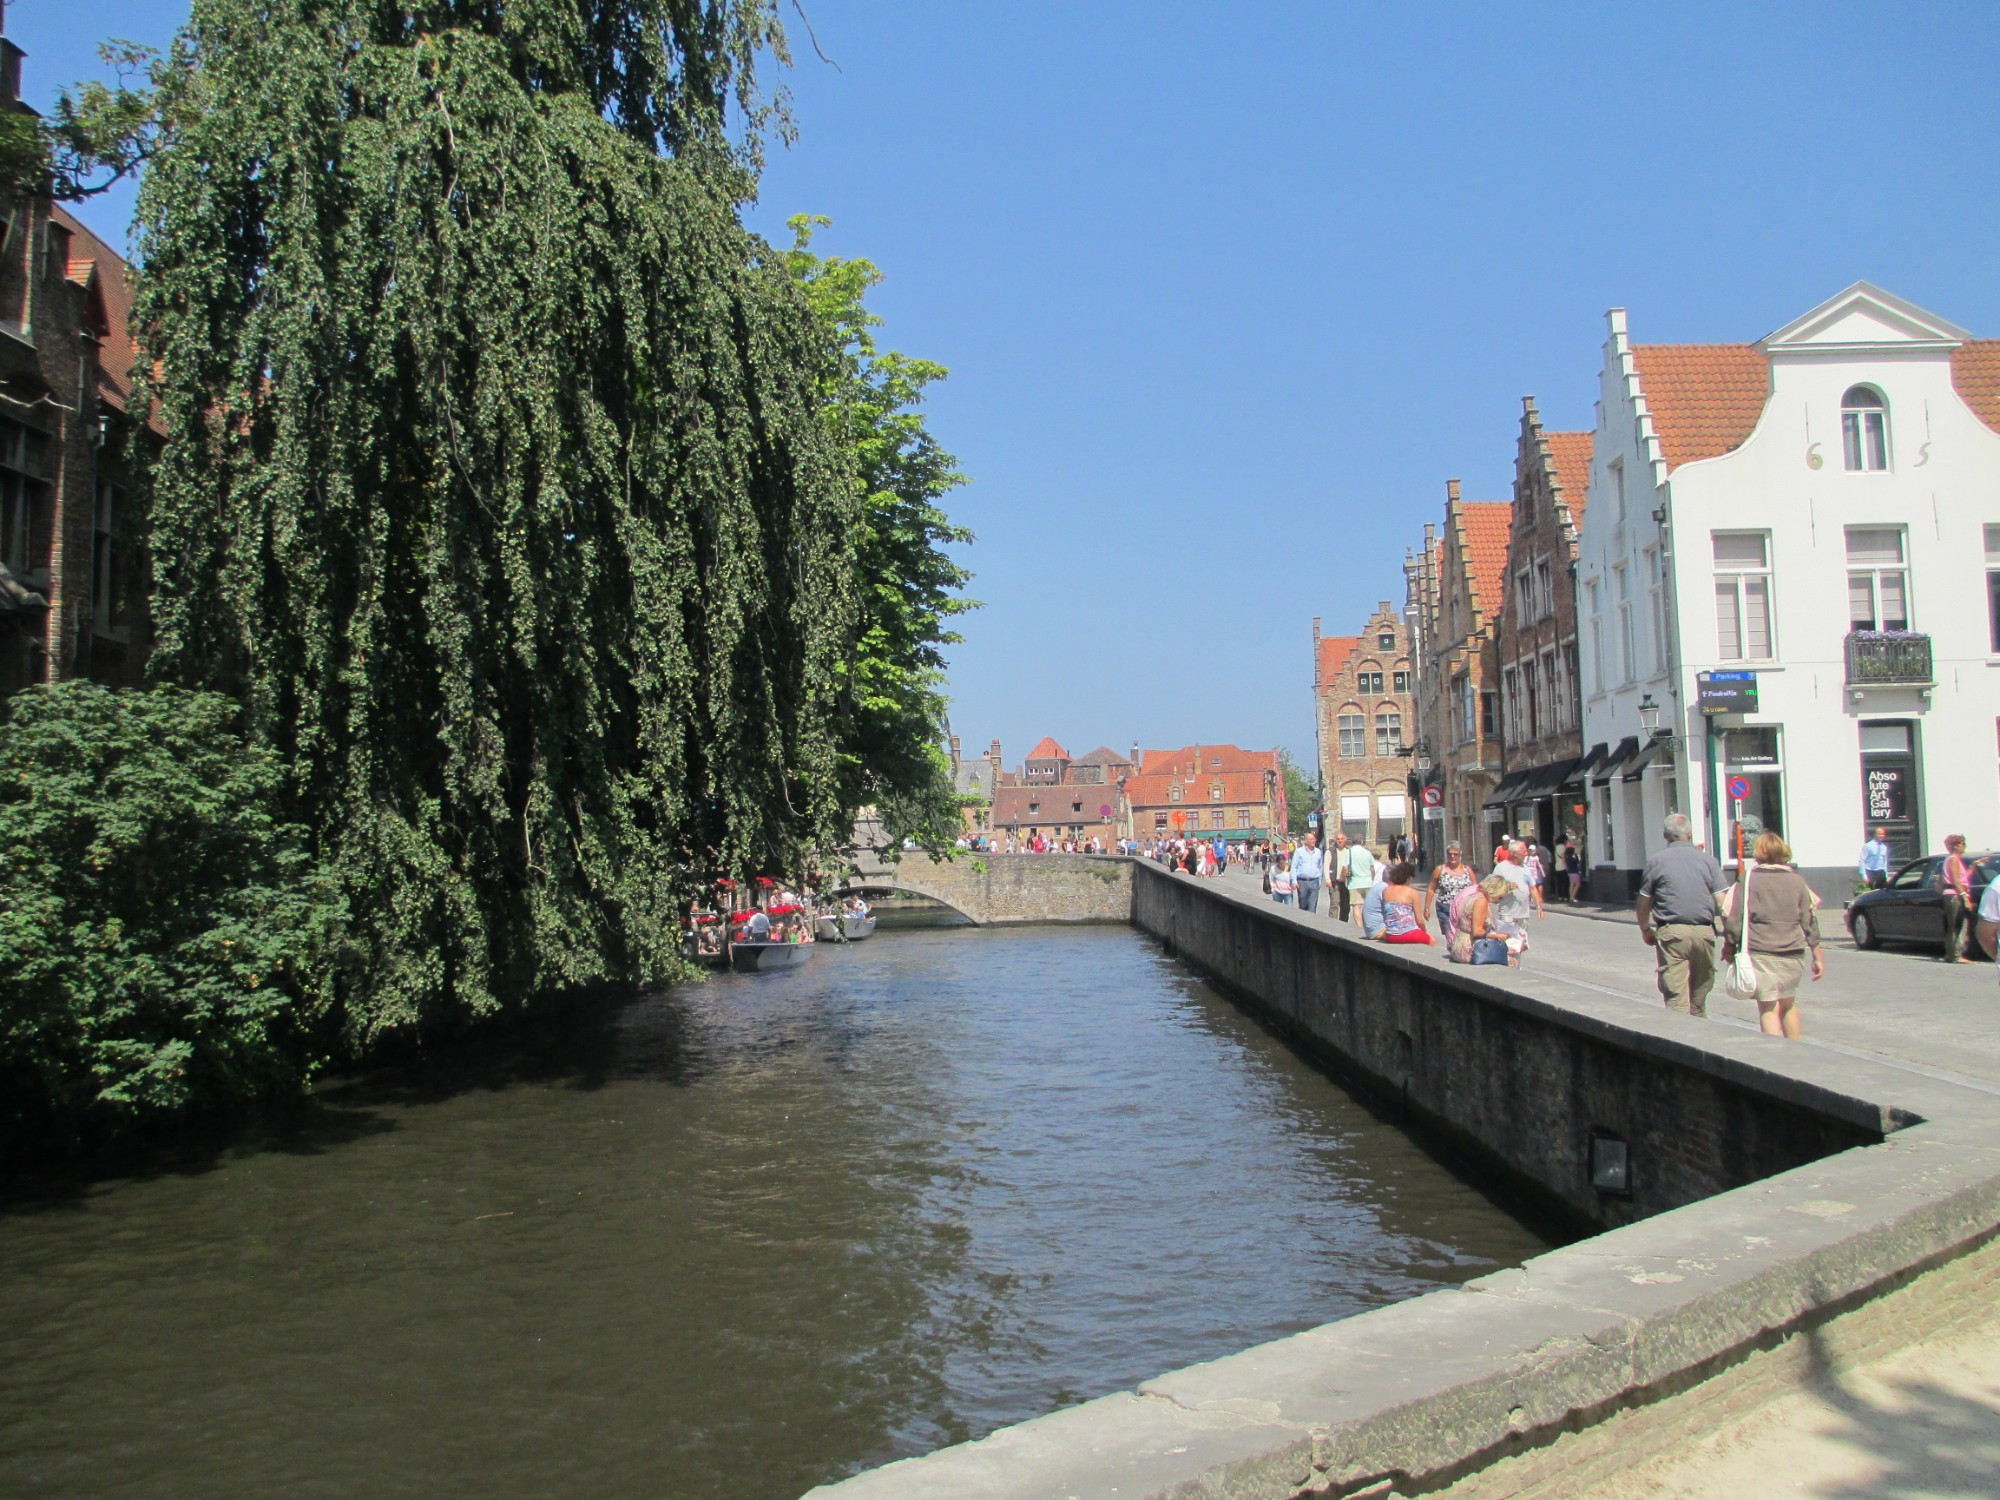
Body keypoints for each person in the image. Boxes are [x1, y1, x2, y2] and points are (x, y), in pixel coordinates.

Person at [1721, 831, 1824, 1040]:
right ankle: (1796, 1049)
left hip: (1761, 951)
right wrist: (1817, 955)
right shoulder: (1797, 882)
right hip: (1793, 953)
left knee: (1768, 1006)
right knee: (1788, 1003)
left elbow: (1735, 918)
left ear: (1759, 853)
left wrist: (1729, 947)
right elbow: (1809, 920)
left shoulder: (1748, 880)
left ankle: (1776, 1056)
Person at [1635, 812, 1730, 1018]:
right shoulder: (1708, 862)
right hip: (1704, 932)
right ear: (1690, 835)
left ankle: (1680, 1039)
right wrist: (1731, 938)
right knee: (1699, 995)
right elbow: (1723, 902)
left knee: (1676, 997)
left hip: (1672, 933)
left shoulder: (1656, 862)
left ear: (1665, 835)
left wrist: (1645, 929)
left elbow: (1643, 903)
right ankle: (1700, 1036)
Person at [1448, 874, 1518, 965]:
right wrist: (1498, 936)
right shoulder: (1481, 901)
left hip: (1459, 944)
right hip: (1469, 948)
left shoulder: (1472, 896)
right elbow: (1477, 932)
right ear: (1494, 890)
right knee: (1512, 962)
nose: (1498, 900)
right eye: (1500, 897)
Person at [1425, 844, 1477, 941]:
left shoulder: (1467, 870)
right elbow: (1431, 889)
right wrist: (1427, 908)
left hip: (1463, 909)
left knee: (1463, 937)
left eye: (1455, 854)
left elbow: (1475, 889)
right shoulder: (1440, 870)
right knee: (1450, 937)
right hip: (1445, 908)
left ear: (1460, 855)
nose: (1452, 856)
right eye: (1450, 854)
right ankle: (1453, 951)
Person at [1940, 834, 1976, 963]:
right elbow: (1956, 880)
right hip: (1954, 895)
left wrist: (1973, 867)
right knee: (1959, 924)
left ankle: (1950, 954)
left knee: (1953, 925)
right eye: (1963, 844)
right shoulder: (1953, 859)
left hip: (1951, 894)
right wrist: (1964, 897)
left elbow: (1963, 879)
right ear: (1956, 846)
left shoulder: (1952, 859)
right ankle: (1956, 954)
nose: (1965, 846)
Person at [1377, 862, 1434, 945]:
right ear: (1409, 878)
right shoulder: (1412, 892)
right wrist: (1426, 933)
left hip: (1391, 935)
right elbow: (1420, 920)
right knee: (1432, 942)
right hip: (1408, 933)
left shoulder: (1385, 891)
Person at [1344, 839, 1378, 925]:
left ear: (1352, 842)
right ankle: (1367, 924)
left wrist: (1346, 880)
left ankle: (1359, 926)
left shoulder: (1349, 852)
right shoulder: (1367, 852)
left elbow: (1345, 868)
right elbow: (1372, 868)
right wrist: (1372, 879)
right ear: (1362, 842)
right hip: (1367, 882)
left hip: (1354, 882)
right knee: (1367, 906)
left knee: (1356, 906)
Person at [1291, 832, 1325, 912]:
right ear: (1306, 841)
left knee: (1312, 906)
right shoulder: (1299, 851)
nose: (1313, 840)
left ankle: (1311, 923)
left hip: (1314, 881)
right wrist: (1294, 881)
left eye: (1314, 839)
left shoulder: (1318, 852)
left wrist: (1319, 881)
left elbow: (1320, 867)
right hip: (1302, 882)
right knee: (1303, 905)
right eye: (1311, 839)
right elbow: (1294, 866)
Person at [1328, 832, 1353, 921]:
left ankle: (1343, 925)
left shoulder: (1349, 851)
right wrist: (1328, 879)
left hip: (1346, 882)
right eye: (1338, 839)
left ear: (1345, 840)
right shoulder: (1330, 851)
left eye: (1342, 839)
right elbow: (1326, 866)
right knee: (1334, 904)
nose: (1340, 841)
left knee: (1345, 906)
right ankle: (1333, 925)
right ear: (1335, 840)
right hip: (1335, 881)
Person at [1361, 858, 1388, 937]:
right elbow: (1391, 913)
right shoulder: (1386, 888)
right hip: (1378, 931)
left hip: (1370, 930)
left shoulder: (1377, 887)